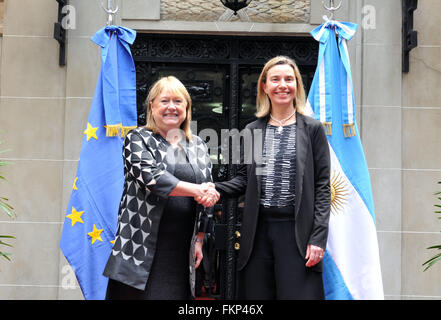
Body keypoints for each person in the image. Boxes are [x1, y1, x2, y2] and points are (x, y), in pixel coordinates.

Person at [214, 56, 331, 299]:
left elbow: (322, 187)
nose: (282, 85)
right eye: (275, 79)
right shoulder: (251, 130)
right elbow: (243, 181)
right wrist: (211, 188)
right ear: (264, 87)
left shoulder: (313, 129)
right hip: (257, 233)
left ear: (297, 86)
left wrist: (318, 238)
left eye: (289, 79)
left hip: (297, 232)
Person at [103, 76, 220, 300]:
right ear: (152, 106)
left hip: (181, 249)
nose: (171, 107)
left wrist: (200, 238)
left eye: (178, 101)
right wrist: (197, 190)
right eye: (164, 101)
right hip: (140, 246)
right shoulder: (138, 138)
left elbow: (206, 188)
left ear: (187, 107)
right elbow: (152, 177)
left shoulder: (198, 145)